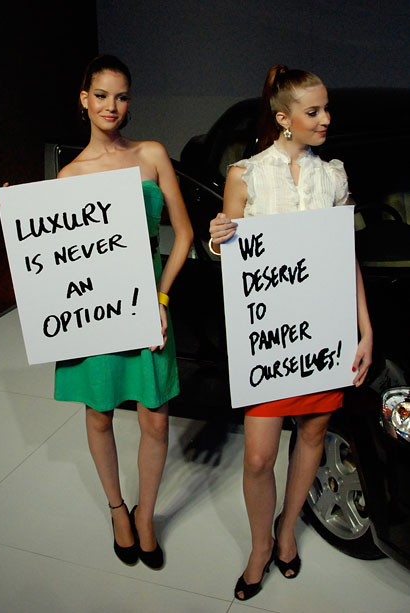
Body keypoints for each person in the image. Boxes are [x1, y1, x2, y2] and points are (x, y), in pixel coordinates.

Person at [0, 55, 193, 569]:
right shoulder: (70, 174)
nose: (111, 106)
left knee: (156, 420)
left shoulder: (151, 154)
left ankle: (146, 516)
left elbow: (184, 234)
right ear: (84, 100)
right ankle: (118, 509)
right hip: (95, 311)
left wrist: (161, 297)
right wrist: (14, 212)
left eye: (121, 96)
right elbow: (55, 251)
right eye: (101, 95)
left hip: (146, 306)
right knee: (99, 413)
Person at [209, 65, 372, 601]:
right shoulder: (246, 176)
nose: (325, 119)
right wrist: (217, 238)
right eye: (313, 111)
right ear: (283, 118)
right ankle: (259, 546)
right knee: (258, 456)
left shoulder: (334, 177)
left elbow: (345, 258)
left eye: (326, 110)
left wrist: (364, 329)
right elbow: (231, 258)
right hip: (270, 340)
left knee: (312, 436)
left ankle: (284, 533)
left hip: (323, 334)